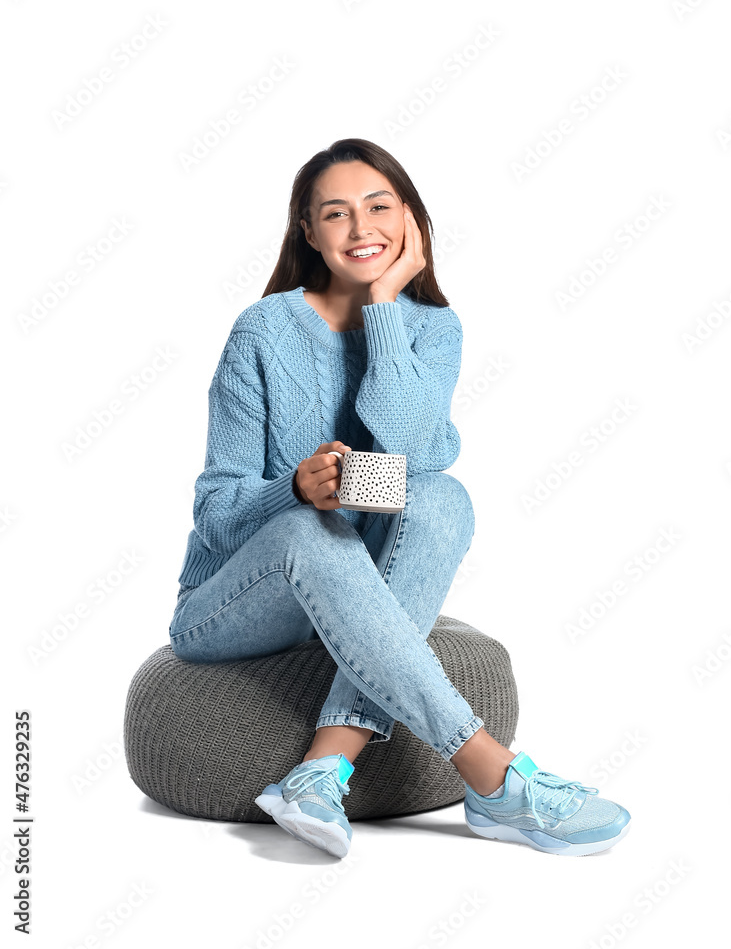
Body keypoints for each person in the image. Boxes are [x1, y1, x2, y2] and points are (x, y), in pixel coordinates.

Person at [169, 138, 631, 859]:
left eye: (378, 207)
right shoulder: (261, 331)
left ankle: (323, 767)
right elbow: (216, 516)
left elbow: (413, 450)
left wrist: (385, 305)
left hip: (346, 585)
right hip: (229, 603)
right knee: (307, 534)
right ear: (308, 232)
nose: (360, 230)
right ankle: (490, 771)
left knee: (443, 498)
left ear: (410, 219)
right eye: (336, 214)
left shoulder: (432, 327)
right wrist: (292, 488)